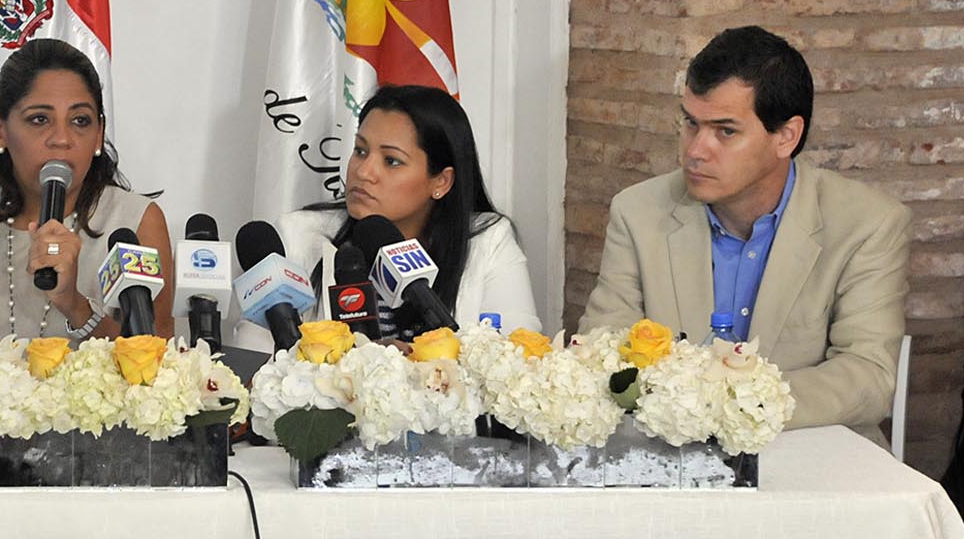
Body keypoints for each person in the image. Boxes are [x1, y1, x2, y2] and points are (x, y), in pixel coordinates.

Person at [581, 25, 911, 441]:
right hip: (668, 455)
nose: (695, 150)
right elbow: (603, 353)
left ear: (786, 136)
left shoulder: (867, 224)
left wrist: (729, 403)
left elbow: (868, 378)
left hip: (811, 458)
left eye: (725, 131)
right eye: (690, 124)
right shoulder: (638, 211)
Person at [0, 38, 174, 344]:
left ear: (98, 136)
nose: (61, 139)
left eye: (80, 121)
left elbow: (156, 360)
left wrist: (74, 305)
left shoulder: (137, 223)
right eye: (40, 119)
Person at [261, 84, 540, 343]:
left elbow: (516, 363)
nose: (363, 171)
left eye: (391, 161)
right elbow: (255, 367)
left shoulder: (488, 241)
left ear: (441, 181)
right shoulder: (296, 237)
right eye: (360, 150)